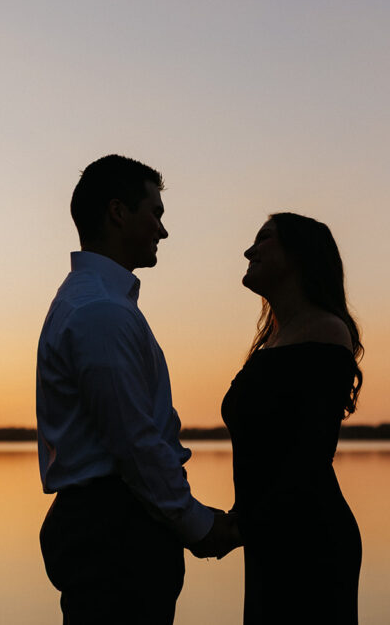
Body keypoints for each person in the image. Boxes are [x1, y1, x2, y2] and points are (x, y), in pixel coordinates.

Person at [36, 154, 240, 625]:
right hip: (116, 538)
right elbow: (135, 443)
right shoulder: (100, 311)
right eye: (155, 213)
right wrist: (199, 526)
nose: (162, 231)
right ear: (118, 212)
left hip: (111, 528)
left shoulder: (92, 303)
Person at [221, 212, 363, 624]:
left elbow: (309, 457)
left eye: (263, 238)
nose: (249, 251)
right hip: (267, 535)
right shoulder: (272, 340)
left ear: (299, 254)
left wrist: (241, 527)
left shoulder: (328, 332)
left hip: (309, 539)